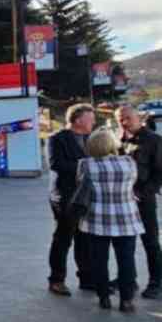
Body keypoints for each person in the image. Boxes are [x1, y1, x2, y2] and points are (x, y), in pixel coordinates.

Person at [78, 128, 144, 312]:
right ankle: (127, 300)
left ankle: (104, 297)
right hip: (126, 219)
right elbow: (133, 183)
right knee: (126, 260)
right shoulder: (129, 162)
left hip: (96, 220)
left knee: (99, 260)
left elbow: (81, 186)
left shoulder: (86, 165)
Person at [47, 103, 95, 294]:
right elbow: (56, 164)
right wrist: (86, 166)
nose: (93, 121)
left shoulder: (92, 138)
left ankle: (87, 278)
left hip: (87, 195)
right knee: (64, 237)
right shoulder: (57, 139)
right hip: (65, 196)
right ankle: (56, 280)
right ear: (77, 120)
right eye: (90, 118)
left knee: (85, 237)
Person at [117, 105, 162, 300]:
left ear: (138, 118)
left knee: (150, 242)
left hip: (144, 199)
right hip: (121, 200)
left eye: (128, 118)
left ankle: (156, 282)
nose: (124, 122)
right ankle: (128, 279)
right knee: (125, 242)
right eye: (120, 119)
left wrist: (143, 193)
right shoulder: (119, 141)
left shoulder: (154, 140)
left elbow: (160, 173)